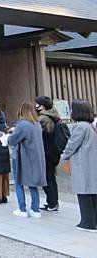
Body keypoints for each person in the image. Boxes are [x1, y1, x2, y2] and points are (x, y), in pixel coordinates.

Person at [61, 100, 97, 232]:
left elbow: (72, 145)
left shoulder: (79, 127)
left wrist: (63, 155)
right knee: (93, 194)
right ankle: (94, 221)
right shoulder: (91, 125)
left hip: (82, 164)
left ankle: (87, 222)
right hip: (92, 163)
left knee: (84, 193)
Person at [7, 101, 46, 218]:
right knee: (32, 184)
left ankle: (22, 208)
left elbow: (12, 140)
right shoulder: (37, 124)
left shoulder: (23, 124)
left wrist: (10, 135)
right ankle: (35, 209)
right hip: (35, 158)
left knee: (19, 182)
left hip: (22, 157)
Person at [36, 95, 61, 212]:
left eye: (37, 104)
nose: (35, 106)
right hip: (52, 151)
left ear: (42, 106)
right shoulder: (53, 116)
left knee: (47, 178)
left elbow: (37, 134)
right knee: (51, 177)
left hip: (45, 151)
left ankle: (52, 202)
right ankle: (53, 202)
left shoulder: (43, 119)